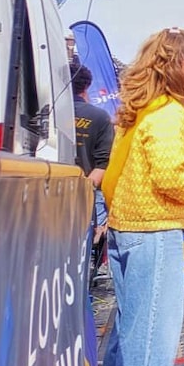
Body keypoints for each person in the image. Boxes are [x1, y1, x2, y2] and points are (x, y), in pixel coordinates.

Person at [100, 27, 184, 366]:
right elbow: (169, 179)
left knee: (130, 330)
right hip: (153, 231)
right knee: (151, 339)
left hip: (127, 227)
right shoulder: (169, 112)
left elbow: (143, 167)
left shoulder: (142, 108)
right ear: (179, 63)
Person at [72, 64, 114, 276]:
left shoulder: (47, 112)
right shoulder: (99, 117)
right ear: (86, 86)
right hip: (88, 193)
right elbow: (103, 164)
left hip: (44, 193)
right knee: (86, 247)